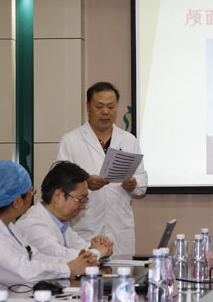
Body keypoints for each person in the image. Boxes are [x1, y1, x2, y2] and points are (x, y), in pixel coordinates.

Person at [0, 160, 97, 302]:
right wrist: (68, 269)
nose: (33, 197)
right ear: (18, 201)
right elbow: (23, 273)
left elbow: (34, 256)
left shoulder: (5, 224)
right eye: (32, 192)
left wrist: (73, 264)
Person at [56, 82, 148, 256]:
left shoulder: (129, 140)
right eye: (99, 106)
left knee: (122, 272)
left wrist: (134, 184)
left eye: (111, 107)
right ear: (88, 107)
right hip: (85, 230)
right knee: (86, 270)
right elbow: (58, 183)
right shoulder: (71, 141)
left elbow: (142, 181)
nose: (105, 112)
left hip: (120, 232)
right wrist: (85, 183)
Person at [16, 161, 114, 261]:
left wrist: (102, 248)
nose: (83, 206)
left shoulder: (61, 224)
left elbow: (81, 247)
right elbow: (60, 257)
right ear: (58, 196)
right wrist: (97, 252)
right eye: (80, 199)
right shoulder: (32, 225)